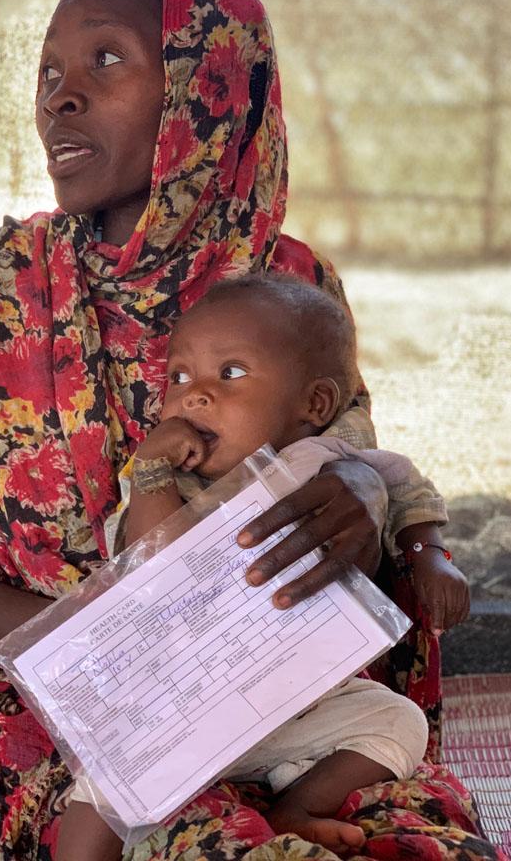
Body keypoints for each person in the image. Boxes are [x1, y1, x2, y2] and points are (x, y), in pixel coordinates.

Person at [0, 0, 497, 861]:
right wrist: (128, 640)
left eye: (107, 59)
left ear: (210, 92)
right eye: (48, 71)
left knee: (409, 838)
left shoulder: (290, 281)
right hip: (65, 705)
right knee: (186, 834)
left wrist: (363, 502)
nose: (60, 96)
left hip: (281, 695)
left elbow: (346, 457)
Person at [57, 274, 464, 861]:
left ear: (314, 405)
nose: (194, 395)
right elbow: (150, 564)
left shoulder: (330, 459)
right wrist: (148, 470)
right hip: (186, 700)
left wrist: (432, 558)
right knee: (106, 781)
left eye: (231, 374)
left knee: (397, 721)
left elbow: (406, 488)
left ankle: (299, 805)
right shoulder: (169, 483)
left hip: (301, 697)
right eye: (179, 377)